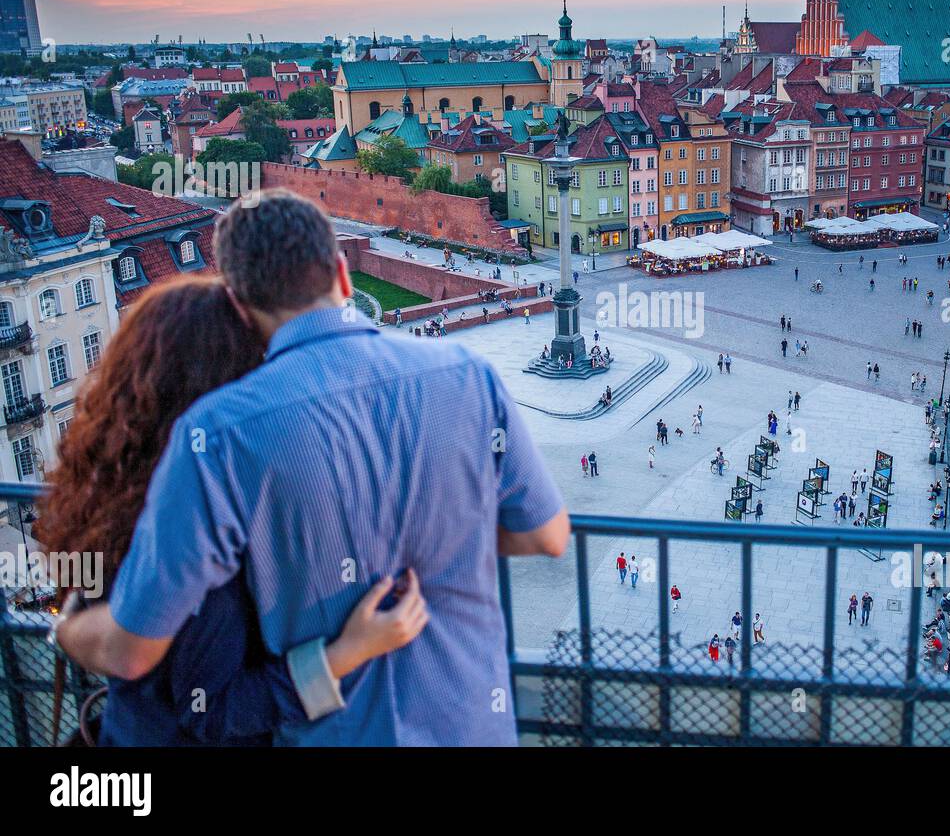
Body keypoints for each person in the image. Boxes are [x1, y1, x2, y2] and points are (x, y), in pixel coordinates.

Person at [56, 191, 569, 747]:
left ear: (236, 302)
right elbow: (546, 534)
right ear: (344, 275)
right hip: (473, 727)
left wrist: (68, 628)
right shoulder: (471, 373)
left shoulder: (218, 432)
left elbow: (134, 650)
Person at [37, 277, 429, 746]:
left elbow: (86, 602)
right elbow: (214, 709)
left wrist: (67, 623)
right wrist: (348, 653)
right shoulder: (208, 513)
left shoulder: (107, 488)